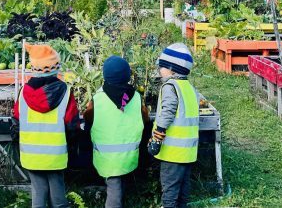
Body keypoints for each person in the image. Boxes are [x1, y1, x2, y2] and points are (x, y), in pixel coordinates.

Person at [13, 43, 79, 208]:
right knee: (58, 198)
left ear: (34, 67)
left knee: (38, 195)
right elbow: (72, 126)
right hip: (56, 155)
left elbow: (15, 124)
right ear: (56, 67)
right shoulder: (65, 92)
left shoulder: (23, 93)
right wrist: (72, 147)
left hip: (31, 155)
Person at [84, 56, 149, 208]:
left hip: (106, 158)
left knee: (114, 192)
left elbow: (88, 119)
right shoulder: (136, 98)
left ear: (105, 75)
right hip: (130, 156)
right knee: (118, 187)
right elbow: (145, 119)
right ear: (127, 75)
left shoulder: (97, 99)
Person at [148, 43, 199, 208]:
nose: (159, 70)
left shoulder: (170, 86)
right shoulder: (189, 88)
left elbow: (167, 113)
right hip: (188, 152)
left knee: (169, 191)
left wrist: (157, 136)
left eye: (161, 66)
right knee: (183, 191)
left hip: (173, 153)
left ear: (171, 69)